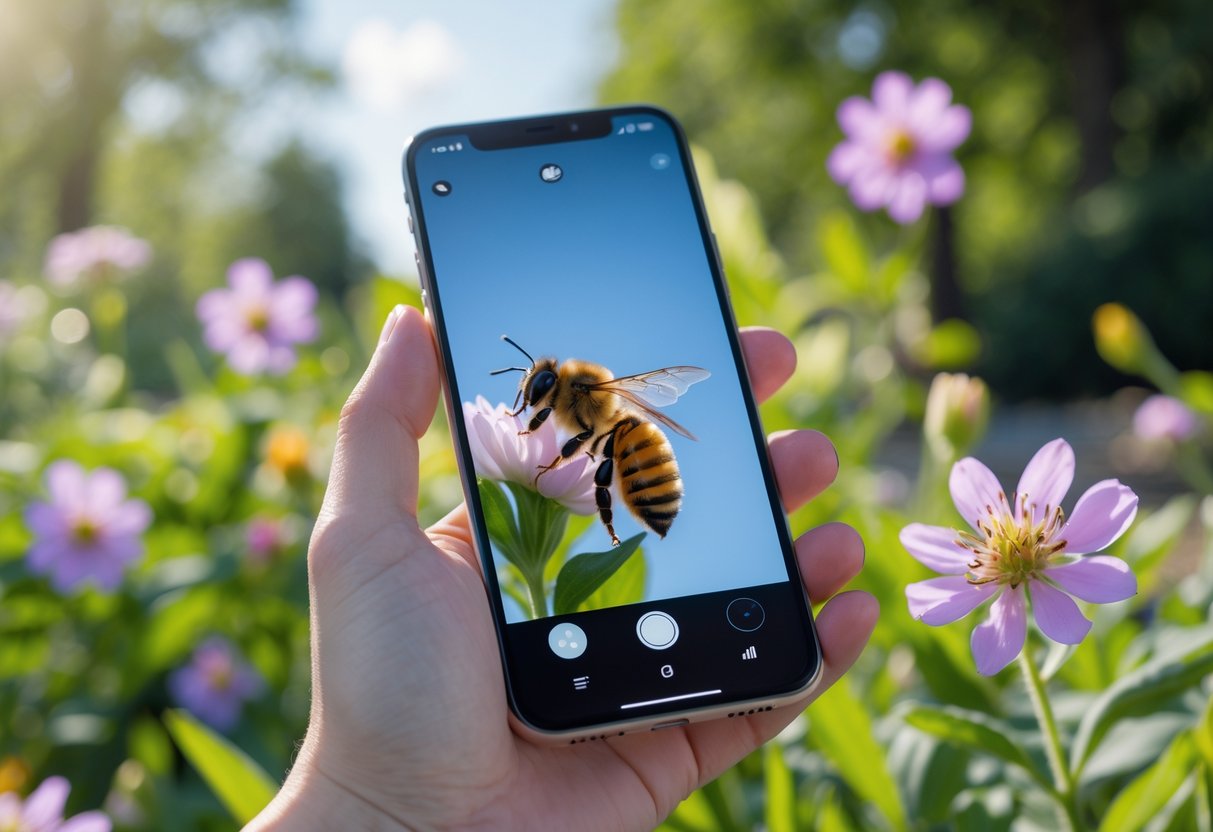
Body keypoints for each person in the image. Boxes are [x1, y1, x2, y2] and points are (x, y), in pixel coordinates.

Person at [246, 305, 877, 831]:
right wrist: (371, 803)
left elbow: (572, 449)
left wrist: (360, 804)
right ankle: (609, 528)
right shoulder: (570, 407)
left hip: (631, 459)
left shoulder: (585, 408)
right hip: (625, 463)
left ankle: (609, 526)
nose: (530, 404)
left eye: (537, 396)